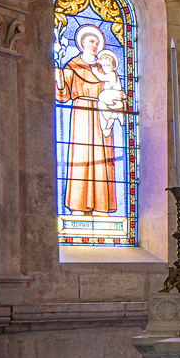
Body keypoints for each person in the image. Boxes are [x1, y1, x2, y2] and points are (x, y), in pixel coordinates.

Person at [57, 24, 119, 215]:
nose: (95, 45)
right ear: (82, 42)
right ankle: (78, 205)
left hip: (101, 114)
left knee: (102, 159)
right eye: (91, 41)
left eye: (97, 42)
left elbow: (114, 90)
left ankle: (102, 206)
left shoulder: (103, 69)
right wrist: (59, 80)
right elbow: (63, 96)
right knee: (81, 157)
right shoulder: (72, 66)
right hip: (82, 115)